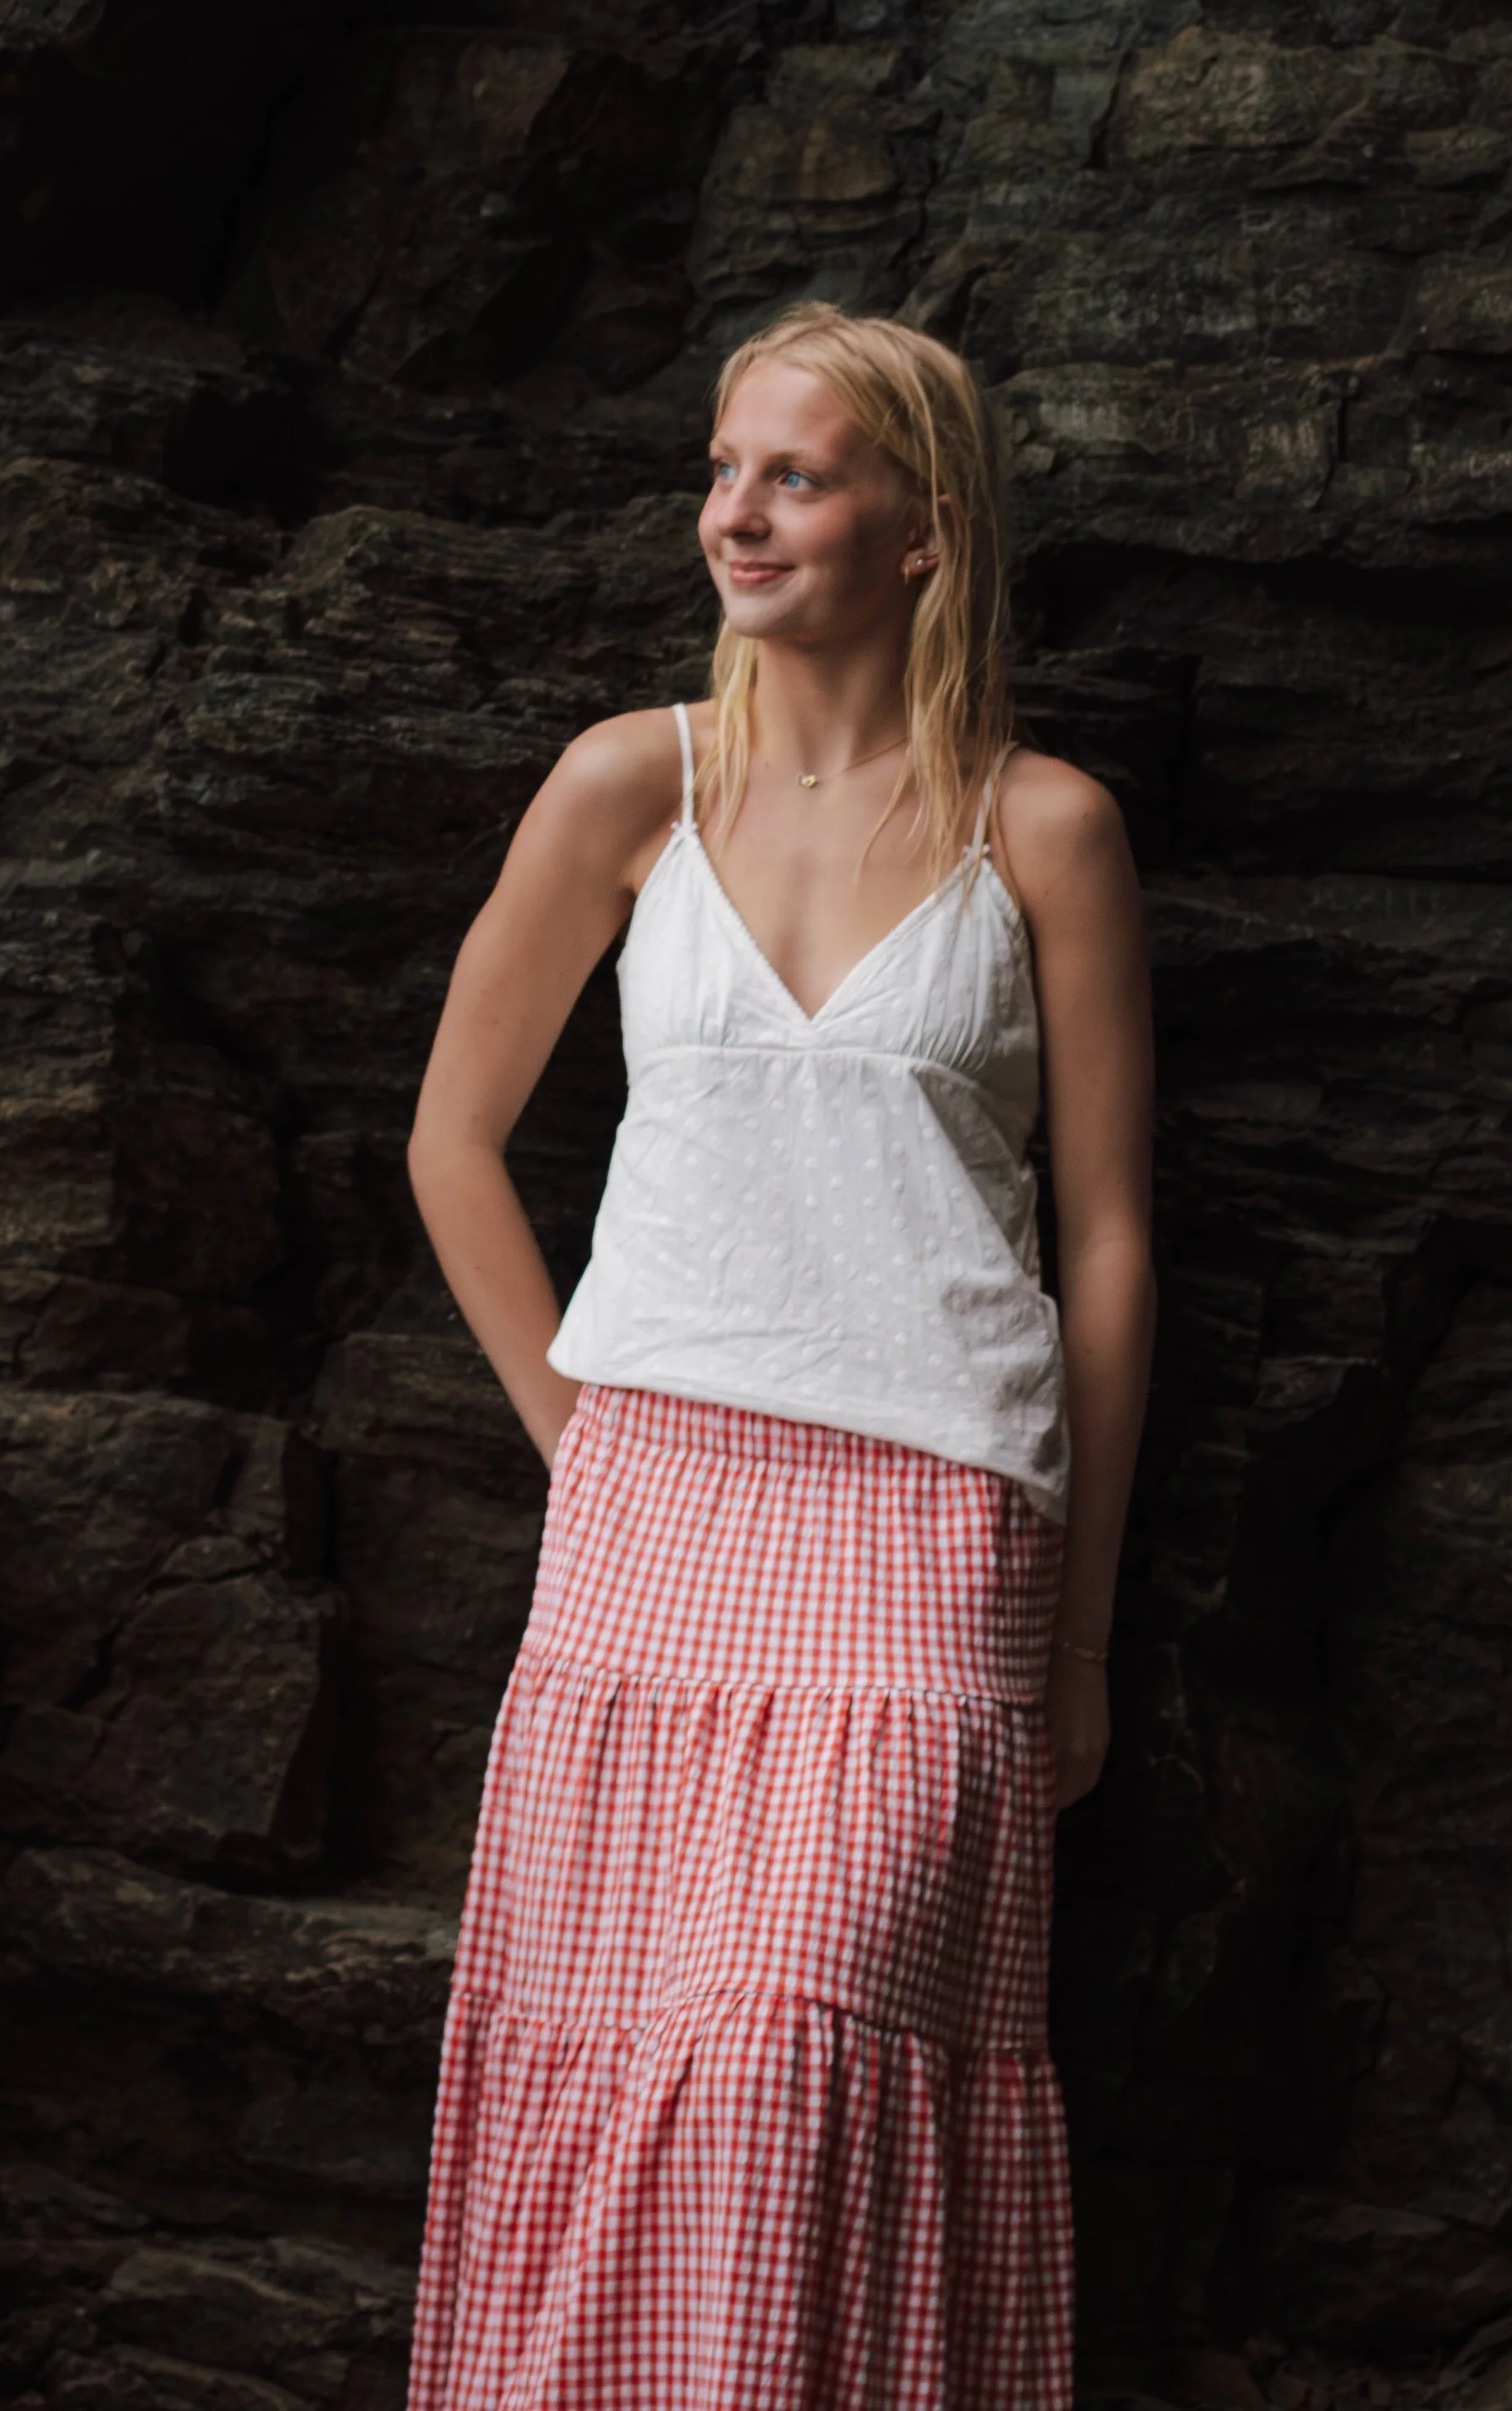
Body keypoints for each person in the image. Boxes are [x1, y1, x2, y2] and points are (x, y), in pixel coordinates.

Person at [402, 299, 1156, 2411]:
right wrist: (584, 1432)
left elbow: (1101, 1246)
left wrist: (1078, 1631)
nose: (735, 513)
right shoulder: (627, 783)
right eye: (724, 470)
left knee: (777, 2042)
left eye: (796, 475)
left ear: (923, 528)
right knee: (620, 2050)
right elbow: (450, 1141)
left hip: (930, 1528)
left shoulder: (1045, 832)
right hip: (651, 1513)